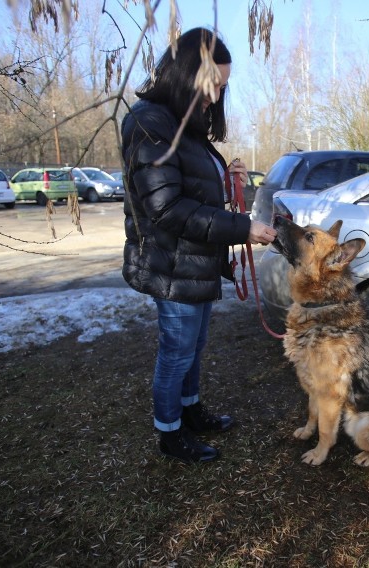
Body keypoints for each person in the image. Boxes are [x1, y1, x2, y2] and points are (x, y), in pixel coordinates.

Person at [120, 28, 276, 464]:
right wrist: (241, 227)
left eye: (222, 87)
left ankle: (189, 411)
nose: (216, 96)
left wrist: (228, 180)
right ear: (187, 75)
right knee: (177, 350)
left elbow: (190, 191)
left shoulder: (184, 125)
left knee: (193, 344)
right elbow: (167, 208)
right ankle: (170, 433)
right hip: (172, 263)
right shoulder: (150, 122)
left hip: (195, 260)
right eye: (213, 86)